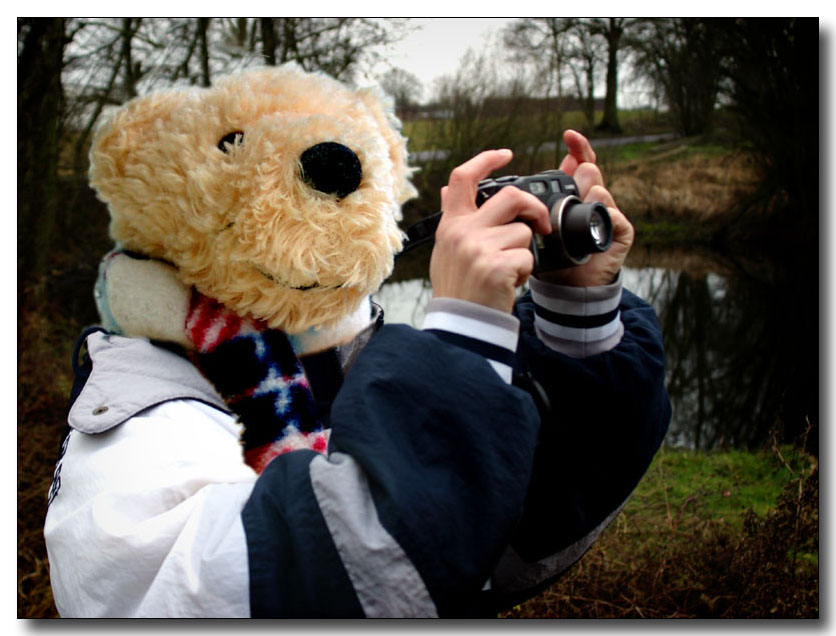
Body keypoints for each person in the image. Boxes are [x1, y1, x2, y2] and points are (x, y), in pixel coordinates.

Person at [44, 130, 670, 618]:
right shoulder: (135, 443)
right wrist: (462, 336)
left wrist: (575, 312)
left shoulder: (331, 357)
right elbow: (337, 585)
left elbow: (514, 522)